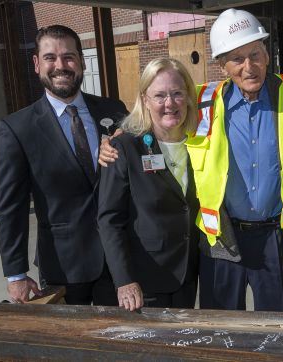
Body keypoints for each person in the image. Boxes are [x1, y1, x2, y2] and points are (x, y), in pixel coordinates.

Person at [99, 8, 283, 312]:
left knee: (279, 326)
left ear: (266, 55)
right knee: (221, 327)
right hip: (222, 239)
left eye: (255, 54)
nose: (248, 67)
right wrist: (115, 137)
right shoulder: (200, 101)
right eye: (237, 59)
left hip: (277, 238)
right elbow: (161, 109)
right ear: (222, 65)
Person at [0, 25, 128, 305]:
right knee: (74, 345)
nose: (60, 66)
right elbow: (11, 207)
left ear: (80, 61)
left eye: (68, 57)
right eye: (50, 58)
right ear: (36, 64)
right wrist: (15, 274)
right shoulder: (18, 128)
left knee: (120, 342)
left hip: (120, 261)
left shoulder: (114, 111)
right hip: (63, 266)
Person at [97, 58, 200, 311]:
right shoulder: (124, 147)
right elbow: (109, 219)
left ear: (187, 96)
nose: (169, 103)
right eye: (159, 95)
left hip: (189, 276)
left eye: (177, 93)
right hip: (144, 283)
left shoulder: (200, 142)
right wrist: (124, 280)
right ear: (145, 100)